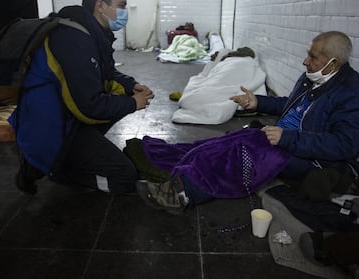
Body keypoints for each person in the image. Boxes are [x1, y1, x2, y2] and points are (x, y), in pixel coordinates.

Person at [136, 31, 359, 213]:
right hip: (286, 137)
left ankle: (184, 194)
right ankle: (166, 158)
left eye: (313, 57)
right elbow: (291, 105)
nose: (305, 61)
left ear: (333, 63)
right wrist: (258, 102)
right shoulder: (315, 76)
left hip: (315, 160)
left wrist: (287, 137)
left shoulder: (351, 92)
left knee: (246, 151)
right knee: (230, 141)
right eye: (307, 54)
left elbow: (345, 145)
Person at [9, 0, 154, 195]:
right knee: (124, 178)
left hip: (65, 115)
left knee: (123, 100)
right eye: (121, 5)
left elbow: (105, 73)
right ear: (101, 6)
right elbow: (90, 105)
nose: (125, 12)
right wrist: (133, 103)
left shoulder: (92, 32)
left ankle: (71, 155)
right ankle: (57, 169)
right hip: (51, 127)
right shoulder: (74, 39)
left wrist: (130, 86)